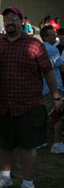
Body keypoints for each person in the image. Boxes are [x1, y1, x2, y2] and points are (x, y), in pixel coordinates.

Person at [0, 6, 63, 188]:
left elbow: (48, 72)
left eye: (13, 19)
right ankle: (5, 176)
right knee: (5, 144)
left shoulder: (34, 45)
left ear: (21, 21)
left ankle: (28, 182)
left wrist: (56, 96)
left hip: (29, 105)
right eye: (6, 20)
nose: (9, 23)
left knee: (28, 147)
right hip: (4, 104)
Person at [40, 25, 64, 153]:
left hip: (43, 87)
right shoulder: (53, 51)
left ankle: (42, 141)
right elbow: (61, 68)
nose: (54, 36)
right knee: (58, 116)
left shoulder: (39, 49)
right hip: (55, 86)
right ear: (45, 37)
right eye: (52, 35)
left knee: (44, 115)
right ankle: (57, 143)